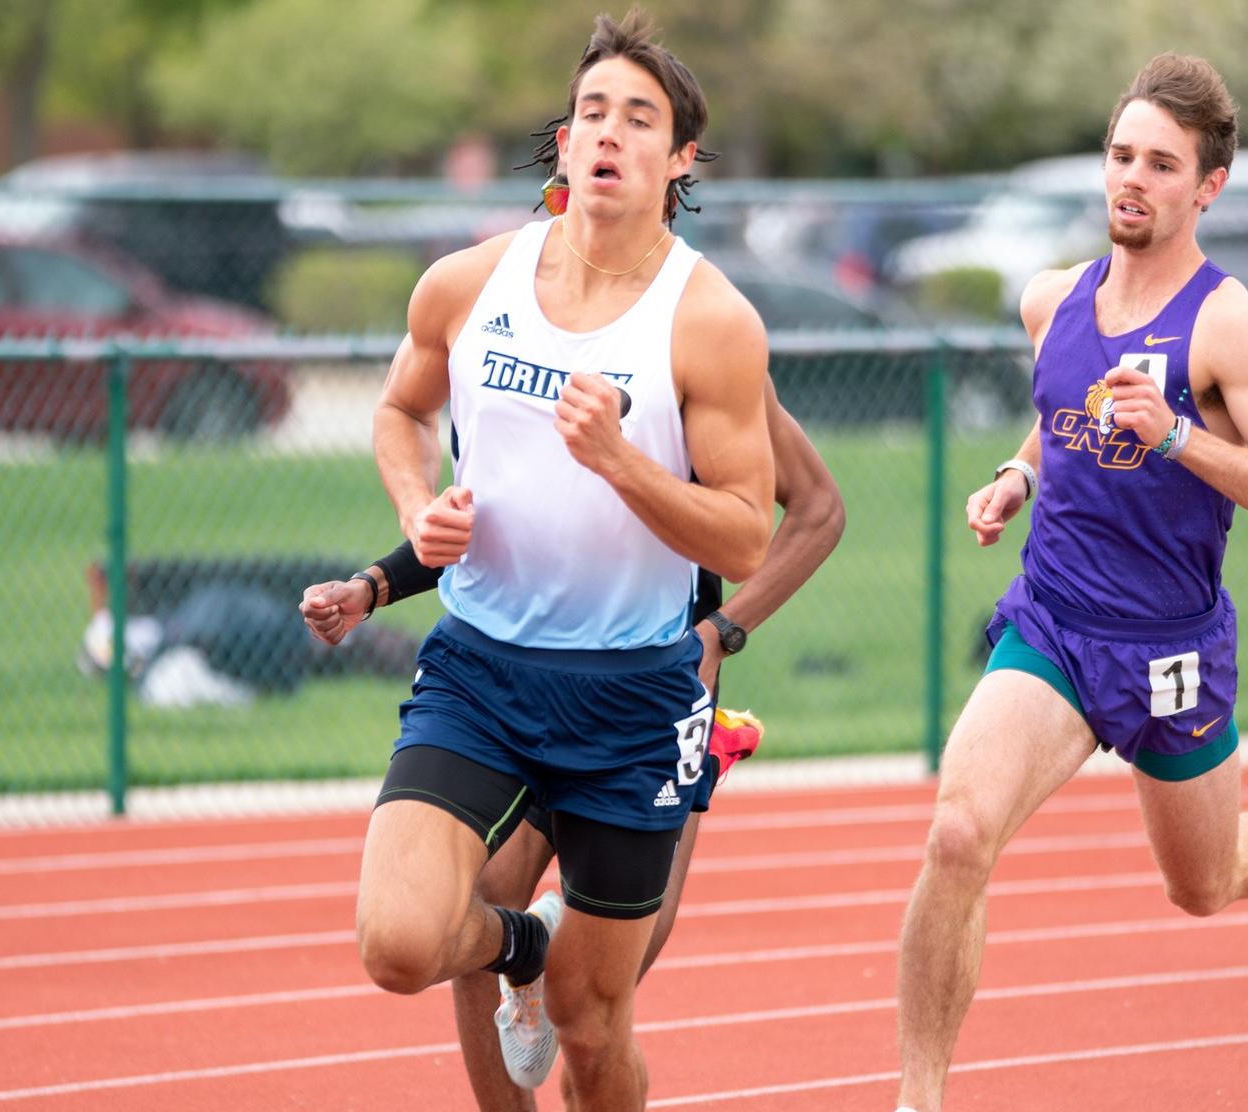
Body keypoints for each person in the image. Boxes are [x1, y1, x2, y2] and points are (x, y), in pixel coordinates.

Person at [341, 12, 782, 1111]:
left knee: (591, 1021)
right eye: (593, 112)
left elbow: (745, 534)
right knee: (397, 943)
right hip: (481, 673)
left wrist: (621, 462)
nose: (610, 133)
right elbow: (400, 411)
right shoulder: (467, 283)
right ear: (564, 140)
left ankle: (556, 971)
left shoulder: (710, 320)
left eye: (640, 118)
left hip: (632, 694)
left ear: (680, 158)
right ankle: (522, 946)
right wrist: (418, 509)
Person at [892, 54, 1248, 1112]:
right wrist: (1018, 474)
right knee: (957, 834)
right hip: (1054, 622)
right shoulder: (1052, 300)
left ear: (1208, 186)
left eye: (1161, 164)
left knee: (1203, 883)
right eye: (1121, 155)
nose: (1132, 179)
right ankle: (919, 1098)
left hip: (1170, 646)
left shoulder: (1229, 325)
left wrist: (1180, 436)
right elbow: (1060, 417)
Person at [302, 372, 844, 1109]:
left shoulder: (696, 345)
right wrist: (375, 585)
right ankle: (526, 948)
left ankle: (703, 753)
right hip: (513, 691)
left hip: (647, 705)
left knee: (590, 1013)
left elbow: (818, 509)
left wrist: (721, 634)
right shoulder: (514, 340)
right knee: (480, 909)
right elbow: (489, 519)